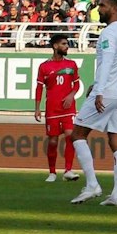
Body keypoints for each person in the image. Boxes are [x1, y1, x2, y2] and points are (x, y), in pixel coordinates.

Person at [69, 0, 117, 206]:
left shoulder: (109, 33)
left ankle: (92, 185)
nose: (99, 9)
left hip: (107, 93)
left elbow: (106, 63)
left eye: (103, 5)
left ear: (114, 8)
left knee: (77, 133)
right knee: (116, 139)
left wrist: (99, 91)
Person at [32, 34, 81, 182]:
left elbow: (77, 83)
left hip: (68, 108)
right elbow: (39, 88)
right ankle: (52, 172)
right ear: (55, 46)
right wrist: (37, 108)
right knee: (53, 141)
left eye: (67, 44)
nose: (67, 46)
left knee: (70, 136)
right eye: (64, 44)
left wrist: (72, 94)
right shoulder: (44, 66)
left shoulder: (71, 64)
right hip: (52, 108)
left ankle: (68, 170)